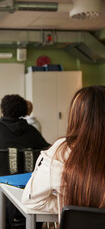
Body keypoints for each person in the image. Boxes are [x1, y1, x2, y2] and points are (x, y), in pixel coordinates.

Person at [22, 85, 105, 220]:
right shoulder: (33, 129)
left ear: (76, 116)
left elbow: (32, 200)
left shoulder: (62, 150)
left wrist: (68, 204)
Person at [0, 94, 50, 226]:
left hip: (2, 184)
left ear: (2, 110)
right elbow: (46, 151)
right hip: (29, 183)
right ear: (23, 111)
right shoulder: (31, 130)